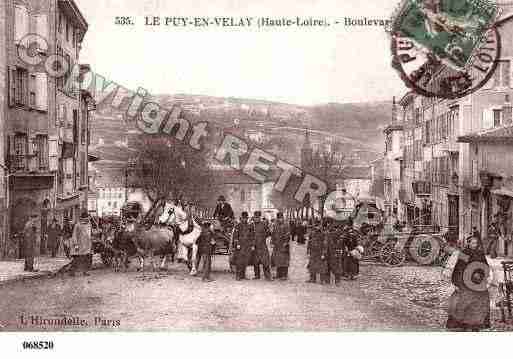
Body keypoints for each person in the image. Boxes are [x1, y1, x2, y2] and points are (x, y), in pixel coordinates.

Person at [446, 236, 491, 331]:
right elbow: (459, 268)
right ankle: (464, 323)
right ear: (469, 243)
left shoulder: (480, 253)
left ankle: (477, 323)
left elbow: (485, 266)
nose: (475, 245)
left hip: (478, 282)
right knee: (464, 299)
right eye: (473, 243)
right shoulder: (464, 253)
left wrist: (480, 274)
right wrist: (457, 283)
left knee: (482, 298)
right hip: (465, 281)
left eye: (476, 243)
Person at [69, 211, 93, 276]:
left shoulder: (89, 225)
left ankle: (85, 271)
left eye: (88, 218)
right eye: (87, 218)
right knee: (77, 259)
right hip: (79, 245)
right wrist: (76, 244)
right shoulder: (78, 225)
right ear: (83, 218)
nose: (88, 219)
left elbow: (90, 234)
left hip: (87, 245)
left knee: (86, 259)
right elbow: (74, 235)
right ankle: (72, 271)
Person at [232, 211, 254, 280]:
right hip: (240, 246)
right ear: (241, 218)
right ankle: (238, 275)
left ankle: (243, 275)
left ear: (247, 218)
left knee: (246, 261)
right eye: (243, 218)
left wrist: (252, 245)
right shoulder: (238, 226)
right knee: (239, 261)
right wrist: (237, 244)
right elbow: (235, 236)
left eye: (246, 218)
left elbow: (252, 236)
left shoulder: (250, 226)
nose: (244, 219)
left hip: (247, 245)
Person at [252, 211, 272, 281]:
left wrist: (264, 237)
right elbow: (249, 235)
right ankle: (257, 275)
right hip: (255, 246)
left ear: (260, 217)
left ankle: (268, 276)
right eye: (255, 217)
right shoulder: (251, 225)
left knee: (265, 261)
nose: (256, 219)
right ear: (253, 217)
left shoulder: (264, 224)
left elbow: (269, 232)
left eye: (258, 217)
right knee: (255, 261)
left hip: (263, 245)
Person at [271, 212, 290, 280]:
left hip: (284, 245)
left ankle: (284, 275)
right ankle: (278, 274)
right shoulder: (275, 225)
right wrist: (272, 242)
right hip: (277, 245)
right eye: (279, 218)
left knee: (284, 260)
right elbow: (273, 234)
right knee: (277, 260)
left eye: (281, 218)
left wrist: (286, 242)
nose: (280, 219)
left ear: (283, 218)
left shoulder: (286, 225)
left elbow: (288, 235)